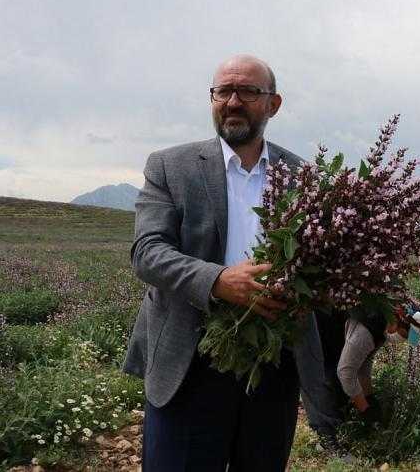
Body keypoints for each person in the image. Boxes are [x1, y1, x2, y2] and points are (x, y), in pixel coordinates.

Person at [122, 54, 327, 471]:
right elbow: (147, 252)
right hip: (190, 360)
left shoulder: (304, 175)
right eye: (223, 91)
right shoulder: (170, 165)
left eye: (248, 92)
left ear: (273, 103)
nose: (233, 101)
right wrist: (218, 281)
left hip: (272, 361)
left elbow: (321, 260)